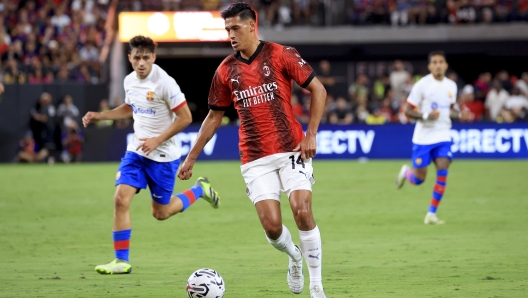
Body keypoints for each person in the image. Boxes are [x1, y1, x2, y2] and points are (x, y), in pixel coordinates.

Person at [177, 3, 328, 297]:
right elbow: (214, 117)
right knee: (272, 227)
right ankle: (294, 258)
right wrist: (190, 158)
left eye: (235, 28)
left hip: (291, 149)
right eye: (227, 30)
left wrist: (311, 135)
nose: (231, 35)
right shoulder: (225, 71)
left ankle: (317, 286)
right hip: (255, 157)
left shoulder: (281, 54)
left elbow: (318, 89)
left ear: (251, 26)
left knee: (302, 211)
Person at [81, 35, 220, 275]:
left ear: (153, 58)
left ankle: (200, 190)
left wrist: (157, 140)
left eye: (146, 57)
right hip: (136, 152)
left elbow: (186, 117)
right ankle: (121, 261)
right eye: (137, 58)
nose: (142, 62)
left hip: (164, 157)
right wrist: (100, 116)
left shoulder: (165, 83)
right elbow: (129, 107)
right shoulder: (129, 81)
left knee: (161, 213)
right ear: (130, 58)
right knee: (119, 199)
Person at [395, 51, 470, 225]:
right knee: (419, 179)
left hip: (443, 134)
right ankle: (407, 173)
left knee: (443, 169)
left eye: (441, 62)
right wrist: (427, 115)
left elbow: (449, 110)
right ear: (429, 66)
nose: (438, 65)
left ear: (445, 65)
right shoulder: (422, 85)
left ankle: (431, 214)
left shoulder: (451, 85)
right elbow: (407, 111)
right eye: (434, 62)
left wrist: (460, 115)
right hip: (424, 137)